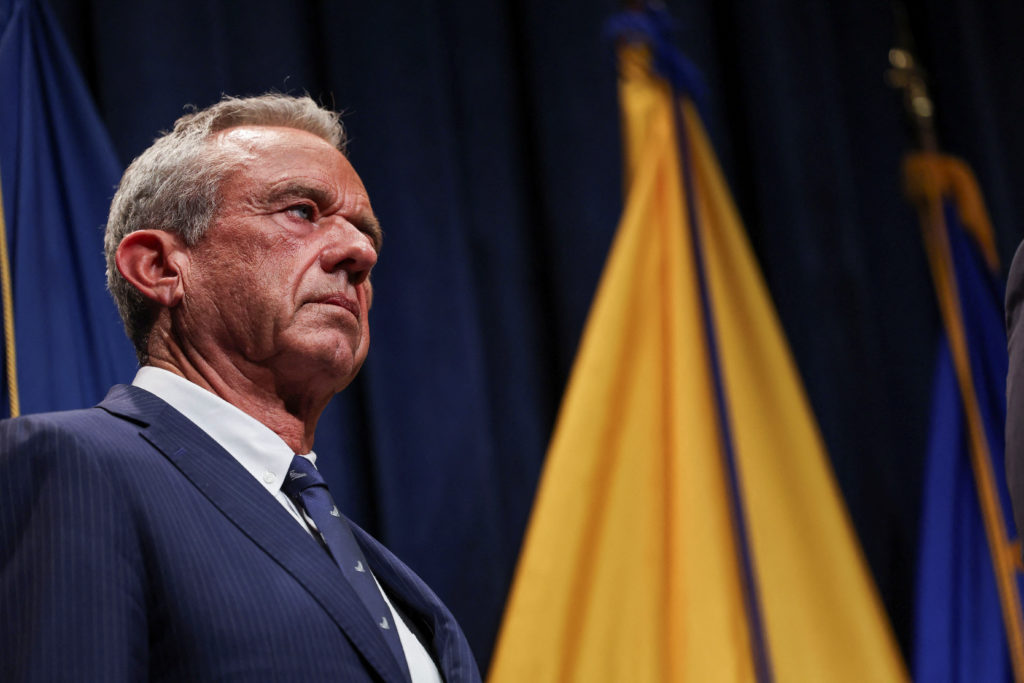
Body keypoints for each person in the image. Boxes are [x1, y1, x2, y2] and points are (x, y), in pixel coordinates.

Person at [0, 94, 481, 682]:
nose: (360, 252)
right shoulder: (73, 465)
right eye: (301, 211)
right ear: (159, 267)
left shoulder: (382, 576)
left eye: (363, 231)